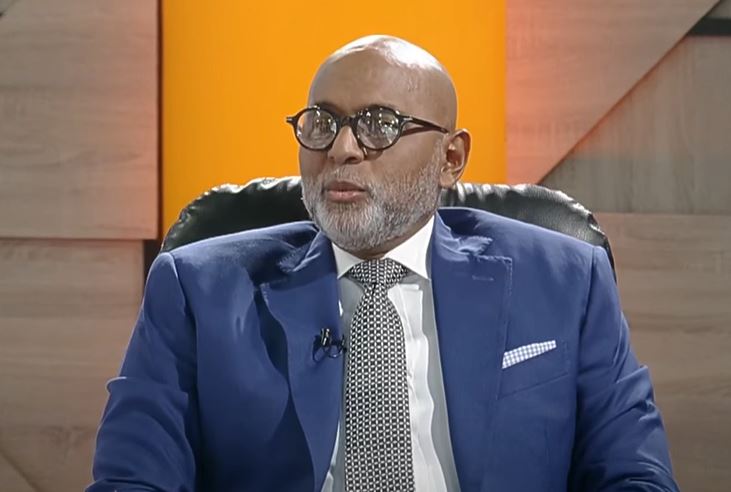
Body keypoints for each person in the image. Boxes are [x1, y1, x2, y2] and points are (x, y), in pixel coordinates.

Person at [89, 35, 678, 491]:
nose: (342, 149)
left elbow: (634, 475)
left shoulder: (567, 279)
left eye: (379, 125)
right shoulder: (196, 289)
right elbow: (132, 479)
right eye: (322, 123)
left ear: (450, 159)